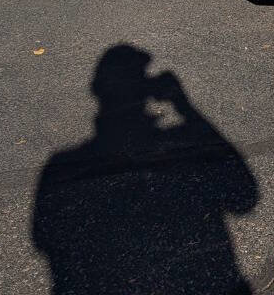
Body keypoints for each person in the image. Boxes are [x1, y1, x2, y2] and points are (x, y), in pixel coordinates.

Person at [31, 44, 259, 294]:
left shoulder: (63, 165)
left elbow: (45, 239)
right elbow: (243, 196)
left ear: (97, 91)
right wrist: (184, 106)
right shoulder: (179, 145)